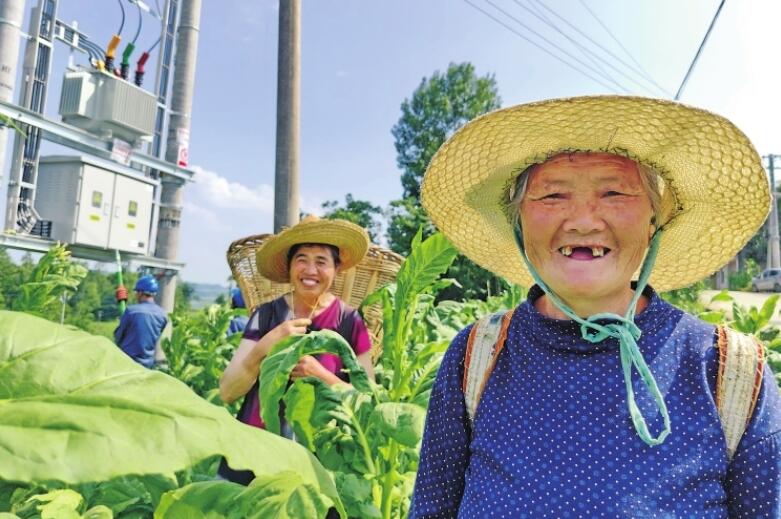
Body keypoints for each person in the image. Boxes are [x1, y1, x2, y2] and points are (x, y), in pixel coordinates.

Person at [410, 96, 781, 517]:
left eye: (614, 192)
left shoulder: (728, 369)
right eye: (552, 195)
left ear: (654, 219)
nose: (584, 221)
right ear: (518, 221)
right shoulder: (477, 355)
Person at [218, 215, 376, 484]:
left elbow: (369, 402)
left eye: (321, 261)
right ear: (289, 267)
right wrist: (266, 347)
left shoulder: (350, 322)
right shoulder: (266, 316)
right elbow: (227, 391)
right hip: (255, 451)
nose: (310, 269)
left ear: (336, 269)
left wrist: (322, 376)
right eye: (301, 259)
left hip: (320, 461)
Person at [114, 275, 168, 369]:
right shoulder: (163, 315)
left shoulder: (131, 311)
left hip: (127, 363)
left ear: (140, 293)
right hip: (147, 365)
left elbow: (118, 336)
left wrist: (122, 307)